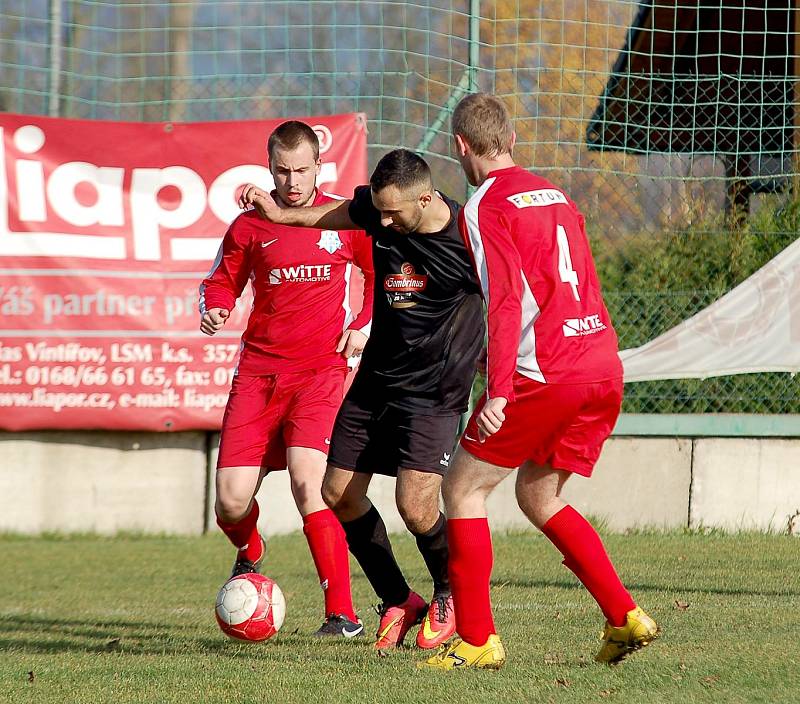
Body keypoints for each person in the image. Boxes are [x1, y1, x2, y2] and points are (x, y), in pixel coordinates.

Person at [421, 93, 659, 670]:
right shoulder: (555, 192)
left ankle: (477, 641)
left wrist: (499, 390)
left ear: (460, 146)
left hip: (544, 372)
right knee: (538, 493)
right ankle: (624, 616)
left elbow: (504, 302)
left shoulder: (483, 206)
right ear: (511, 140)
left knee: (462, 489)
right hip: (600, 362)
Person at [239, 148, 485, 651]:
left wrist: (499, 372)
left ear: (426, 196)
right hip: (375, 383)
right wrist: (282, 215)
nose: (384, 221)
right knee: (337, 493)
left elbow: (508, 302)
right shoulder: (380, 211)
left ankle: (447, 595)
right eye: (379, 211)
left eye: (394, 212)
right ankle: (399, 598)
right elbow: (336, 213)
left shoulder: (467, 240)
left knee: (416, 507)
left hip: (434, 392)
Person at [199, 120, 374, 638]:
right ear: (269, 167)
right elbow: (221, 280)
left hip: (321, 371)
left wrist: (363, 327)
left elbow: (380, 280)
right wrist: (215, 308)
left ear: (319, 166)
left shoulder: (344, 219)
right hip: (257, 374)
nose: (293, 180)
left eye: (302, 169)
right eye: (282, 170)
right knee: (230, 502)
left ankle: (341, 614)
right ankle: (250, 550)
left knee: (309, 483)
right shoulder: (250, 225)